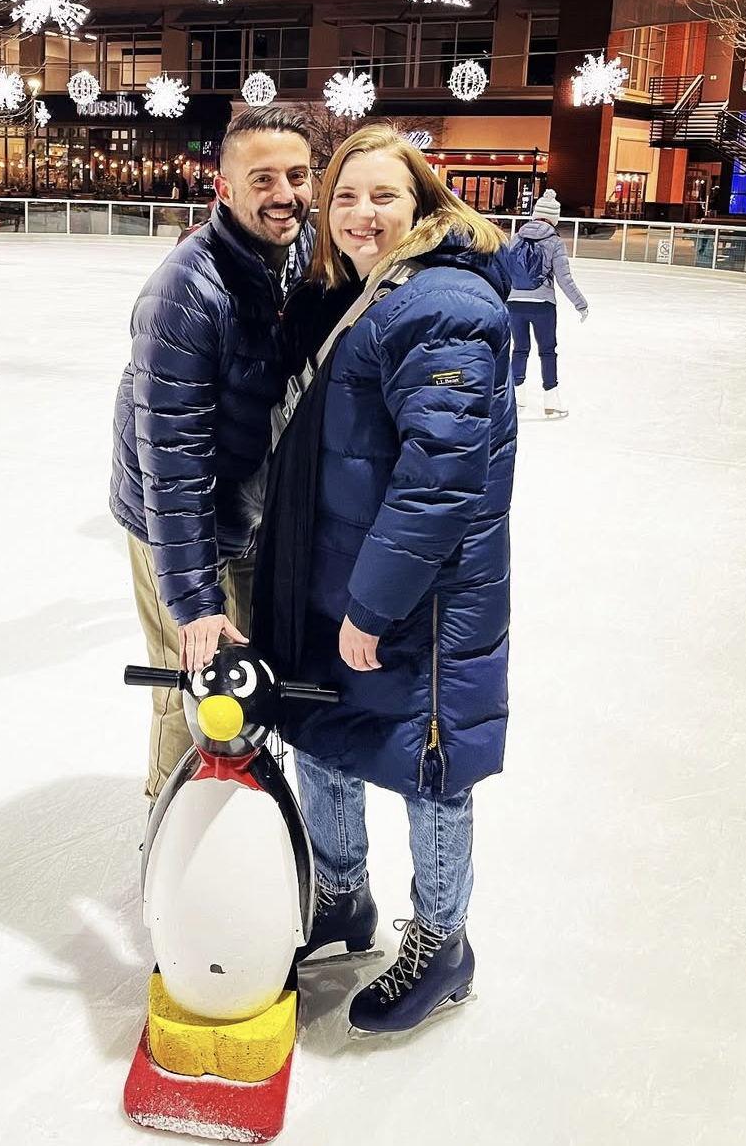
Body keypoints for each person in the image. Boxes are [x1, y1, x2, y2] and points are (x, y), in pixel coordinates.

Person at [252, 124, 517, 1037]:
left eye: (383, 196)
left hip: (418, 604)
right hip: (339, 581)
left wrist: (373, 602)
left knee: (426, 763)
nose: (361, 214)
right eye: (345, 197)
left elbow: (438, 474)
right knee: (324, 735)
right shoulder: (368, 293)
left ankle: (443, 941)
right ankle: (343, 899)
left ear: (424, 204)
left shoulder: (442, 302)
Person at [110, 105, 316, 803]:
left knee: (253, 677)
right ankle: (171, 835)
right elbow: (172, 462)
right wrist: (195, 602)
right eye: (262, 178)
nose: (283, 192)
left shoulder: (305, 252)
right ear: (223, 190)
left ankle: (246, 815)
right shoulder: (184, 293)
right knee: (193, 681)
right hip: (183, 522)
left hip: (254, 510)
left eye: (296, 174)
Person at [507, 189, 588, 420]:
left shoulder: (516, 237)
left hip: (514, 303)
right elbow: (564, 279)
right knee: (547, 351)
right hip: (542, 304)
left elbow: (504, 270)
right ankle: (551, 401)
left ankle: (515, 398)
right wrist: (580, 304)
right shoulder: (554, 242)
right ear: (554, 218)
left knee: (520, 349)